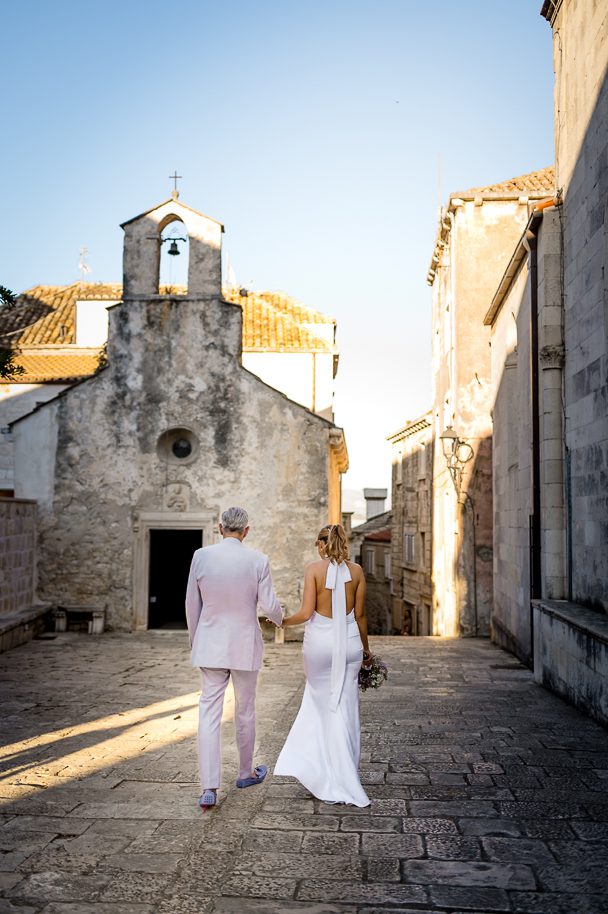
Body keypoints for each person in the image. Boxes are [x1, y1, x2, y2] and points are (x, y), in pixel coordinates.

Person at [185, 506, 284, 811]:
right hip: (244, 645)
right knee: (245, 710)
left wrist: (196, 640)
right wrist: (282, 619)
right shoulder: (258, 560)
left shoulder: (201, 556)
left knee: (208, 713)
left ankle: (209, 788)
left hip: (210, 645)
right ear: (246, 531)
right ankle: (244, 773)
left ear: (220, 528)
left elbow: (192, 603)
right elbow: (268, 606)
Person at [273, 523, 371, 807]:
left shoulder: (314, 570)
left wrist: (282, 620)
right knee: (345, 705)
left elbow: (305, 613)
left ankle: (323, 770)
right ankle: (346, 772)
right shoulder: (357, 572)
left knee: (320, 706)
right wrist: (366, 650)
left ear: (320, 544)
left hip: (320, 646)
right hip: (350, 643)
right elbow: (361, 615)